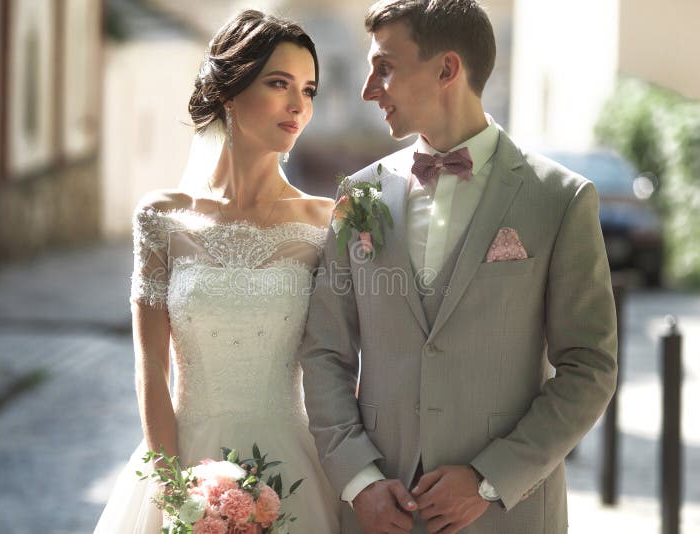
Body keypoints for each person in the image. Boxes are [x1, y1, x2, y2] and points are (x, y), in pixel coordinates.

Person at [298, 1, 618, 533]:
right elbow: (324, 351)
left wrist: (491, 478)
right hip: (380, 514)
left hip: (506, 514)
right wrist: (359, 481)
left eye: (385, 67)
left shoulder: (560, 199)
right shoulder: (361, 195)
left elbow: (590, 367)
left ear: (447, 69)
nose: (368, 89)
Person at [95, 10, 338, 533]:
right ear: (230, 91)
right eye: (279, 84)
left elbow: (342, 362)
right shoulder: (160, 217)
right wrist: (176, 491)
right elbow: (152, 368)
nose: (299, 105)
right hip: (182, 463)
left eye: (309, 89)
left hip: (293, 467)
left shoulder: (326, 224)